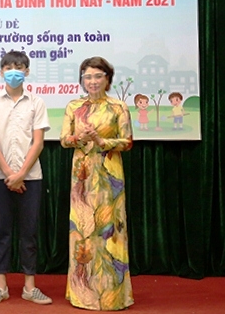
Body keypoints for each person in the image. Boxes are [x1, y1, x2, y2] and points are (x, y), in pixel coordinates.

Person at [59, 56, 134, 311]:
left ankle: (114, 296)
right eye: (88, 77)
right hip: (82, 176)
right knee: (83, 231)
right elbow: (64, 140)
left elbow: (127, 142)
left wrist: (102, 142)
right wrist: (79, 137)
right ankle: (83, 294)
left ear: (107, 79)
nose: (92, 81)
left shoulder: (118, 106)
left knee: (110, 232)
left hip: (109, 174)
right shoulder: (73, 106)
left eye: (97, 76)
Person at [0, 50, 52, 305]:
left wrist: (21, 174)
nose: (14, 72)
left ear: (27, 71)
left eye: (19, 67)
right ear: (1, 71)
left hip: (31, 177)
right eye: (8, 67)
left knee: (29, 232)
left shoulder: (37, 102)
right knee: (1, 230)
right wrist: (10, 174)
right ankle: (1, 286)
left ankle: (30, 287)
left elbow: (38, 142)